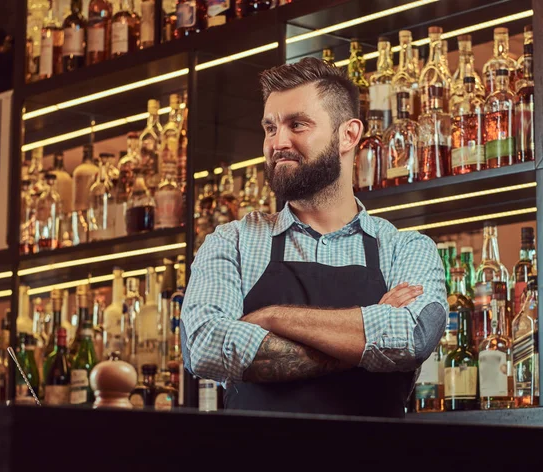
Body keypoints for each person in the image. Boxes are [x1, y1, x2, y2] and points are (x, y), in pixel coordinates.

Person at [180, 57, 448, 418]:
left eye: (297, 125)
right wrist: (367, 337)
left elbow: (413, 337)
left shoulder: (405, 248)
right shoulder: (232, 243)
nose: (278, 142)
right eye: (270, 127)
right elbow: (204, 346)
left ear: (348, 135)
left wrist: (271, 317)